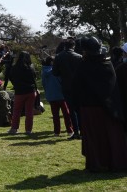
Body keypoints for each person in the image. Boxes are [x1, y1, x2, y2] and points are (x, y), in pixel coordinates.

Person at [73, 36, 127, 172]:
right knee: (112, 135)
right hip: (109, 107)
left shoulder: (83, 66)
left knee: (95, 137)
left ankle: (98, 164)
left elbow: (76, 87)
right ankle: (115, 162)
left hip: (91, 108)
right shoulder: (107, 64)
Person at [52, 38, 82, 140]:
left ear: (64, 46)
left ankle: (76, 131)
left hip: (66, 86)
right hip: (78, 86)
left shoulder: (59, 57)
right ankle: (82, 131)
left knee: (71, 109)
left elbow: (55, 72)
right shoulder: (79, 57)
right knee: (79, 109)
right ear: (74, 46)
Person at [41, 56, 73, 137]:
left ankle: (56, 132)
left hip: (51, 96)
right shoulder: (57, 71)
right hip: (61, 95)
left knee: (55, 115)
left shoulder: (44, 71)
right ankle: (69, 130)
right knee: (66, 114)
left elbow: (44, 84)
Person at [8, 51, 37, 135]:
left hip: (19, 91)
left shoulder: (14, 67)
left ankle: (14, 128)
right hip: (30, 91)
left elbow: (11, 77)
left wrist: (15, 84)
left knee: (16, 111)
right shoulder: (30, 67)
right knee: (29, 111)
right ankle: (28, 130)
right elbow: (34, 78)